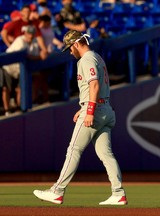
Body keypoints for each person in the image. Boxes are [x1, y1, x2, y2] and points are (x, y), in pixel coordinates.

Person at [33, 30, 128, 205]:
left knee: (74, 150)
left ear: (76, 44)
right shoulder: (97, 57)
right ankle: (118, 193)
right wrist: (83, 107)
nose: (70, 52)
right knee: (106, 154)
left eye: (70, 48)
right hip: (105, 108)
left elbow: (94, 84)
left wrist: (89, 110)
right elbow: (94, 87)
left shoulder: (86, 59)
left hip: (96, 109)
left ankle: (57, 190)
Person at [1, 25, 46, 116]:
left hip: (19, 71)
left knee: (21, 88)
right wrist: (40, 56)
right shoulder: (20, 40)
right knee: (6, 89)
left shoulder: (34, 42)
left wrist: (40, 54)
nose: (30, 35)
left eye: (32, 33)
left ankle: (20, 108)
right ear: (25, 33)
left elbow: (34, 55)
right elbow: (25, 56)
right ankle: (7, 110)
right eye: (29, 33)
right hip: (8, 68)